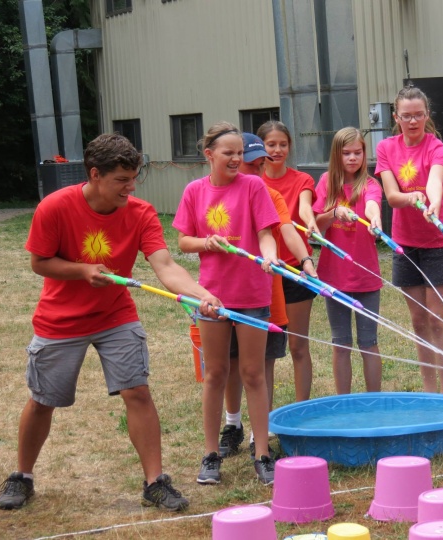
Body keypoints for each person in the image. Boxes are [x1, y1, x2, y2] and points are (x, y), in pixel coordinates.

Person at [0, 133, 223, 511]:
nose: (130, 187)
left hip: (116, 314)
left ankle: (155, 482)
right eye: (122, 180)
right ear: (95, 174)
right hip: (60, 319)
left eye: (134, 178)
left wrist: (202, 294)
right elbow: (39, 262)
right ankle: (22, 476)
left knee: (138, 391)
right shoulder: (55, 207)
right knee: (42, 401)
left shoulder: (141, 213)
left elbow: (165, 265)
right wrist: (82, 270)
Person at [172, 122, 279, 485]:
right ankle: (210, 454)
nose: (236, 159)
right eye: (228, 153)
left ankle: (263, 452)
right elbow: (184, 241)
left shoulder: (253, 186)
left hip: (252, 294)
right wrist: (207, 242)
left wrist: (269, 257)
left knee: (253, 373)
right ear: (209, 155)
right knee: (215, 373)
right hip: (212, 297)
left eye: (239, 153)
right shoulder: (194, 191)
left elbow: (266, 234)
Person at [219, 133, 316, 458]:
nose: (255, 170)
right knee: (230, 363)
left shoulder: (268, 194)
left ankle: (258, 433)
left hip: (263, 294)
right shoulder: (214, 195)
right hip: (224, 292)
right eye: (251, 163)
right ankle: (233, 424)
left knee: (263, 364)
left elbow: (286, 230)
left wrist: (305, 260)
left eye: (260, 165)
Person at [374, 86, 443, 394]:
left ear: (427, 116)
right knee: (419, 321)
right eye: (407, 116)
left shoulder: (437, 147)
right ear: (396, 117)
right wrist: (414, 197)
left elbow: (436, 180)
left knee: (438, 320)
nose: (413, 122)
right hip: (405, 243)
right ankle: (429, 391)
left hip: (439, 242)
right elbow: (392, 197)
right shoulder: (386, 147)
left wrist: (433, 202)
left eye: (419, 115)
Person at [313, 127, 383, 394]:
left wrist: (374, 218)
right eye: (346, 153)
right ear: (336, 155)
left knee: (368, 342)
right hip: (334, 277)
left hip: (366, 277)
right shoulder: (326, 183)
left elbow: (372, 205)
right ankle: (344, 400)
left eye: (358, 152)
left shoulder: (370, 184)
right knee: (340, 342)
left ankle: (374, 399)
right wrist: (333, 213)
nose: (353, 158)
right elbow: (316, 226)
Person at [258, 121, 319, 402]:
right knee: (264, 352)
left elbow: (305, 207)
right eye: (271, 144)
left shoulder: (301, 180)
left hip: (296, 267)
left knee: (298, 346)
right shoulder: (254, 184)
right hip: (264, 271)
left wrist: (310, 221)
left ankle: (302, 409)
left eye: (283, 144)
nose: (277, 150)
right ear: (261, 148)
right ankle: (264, 420)